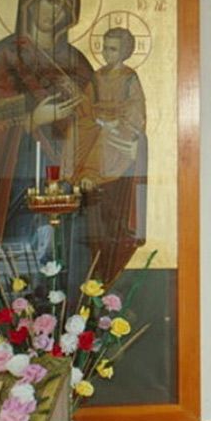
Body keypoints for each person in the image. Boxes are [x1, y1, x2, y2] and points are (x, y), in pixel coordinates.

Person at [0, 0, 94, 268]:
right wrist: (31, 120)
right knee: (24, 256)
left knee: (68, 257)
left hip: (68, 176)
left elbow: (96, 121)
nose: (57, 12)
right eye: (50, 1)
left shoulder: (77, 62)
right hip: (21, 177)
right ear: (30, 1)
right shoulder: (7, 55)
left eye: (66, 6)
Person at [75, 27, 148, 285]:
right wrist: (94, 118)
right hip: (96, 126)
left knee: (108, 138)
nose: (108, 53)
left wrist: (116, 122)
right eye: (105, 48)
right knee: (82, 132)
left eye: (114, 49)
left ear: (126, 51)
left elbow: (136, 112)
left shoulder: (130, 78)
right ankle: (87, 175)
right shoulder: (96, 77)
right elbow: (84, 107)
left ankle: (93, 175)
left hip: (118, 132)